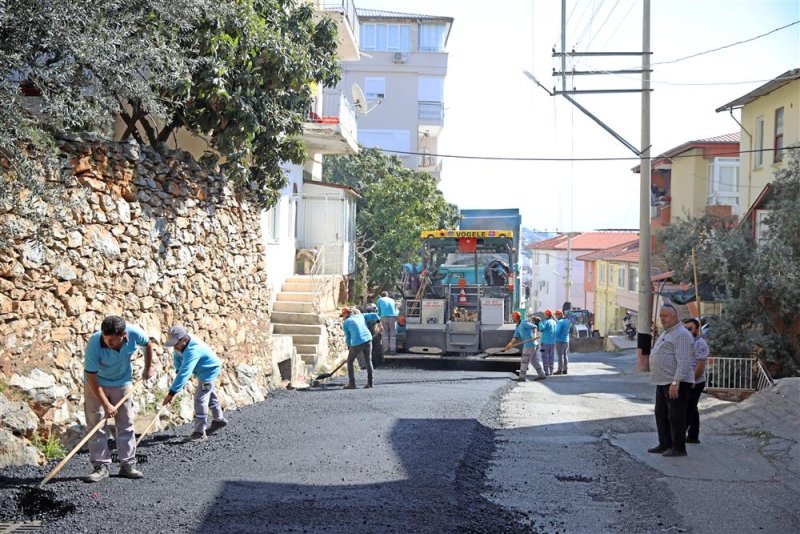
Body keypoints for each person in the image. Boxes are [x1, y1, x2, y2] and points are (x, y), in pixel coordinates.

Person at [83, 315, 152, 483]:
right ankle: (101, 466)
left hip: (122, 382)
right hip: (96, 383)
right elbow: (91, 376)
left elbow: (147, 344)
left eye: (113, 340)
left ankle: (127, 465)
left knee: (126, 423)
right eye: (106, 339)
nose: (108, 343)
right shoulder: (94, 343)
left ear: (124, 335)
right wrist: (106, 405)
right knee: (97, 425)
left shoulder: (135, 333)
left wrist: (148, 368)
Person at [162, 325, 228, 442]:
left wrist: (171, 393)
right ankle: (219, 420)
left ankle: (199, 432)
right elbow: (178, 360)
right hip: (201, 369)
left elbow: (184, 372)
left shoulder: (193, 350)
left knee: (200, 399)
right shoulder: (179, 345)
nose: (175, 347)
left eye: (176, 344)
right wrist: (177, 370)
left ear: (185, 339)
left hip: (209, 370)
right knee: (209, 393)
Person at [647, 303, 695, 457]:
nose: (662, 319)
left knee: (675, 416)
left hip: (675, 383)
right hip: (662, 382)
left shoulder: (681, 334)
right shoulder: (668, 332)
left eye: (665, 316)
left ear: (675, 317)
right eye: (661, 316)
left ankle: (679, 448)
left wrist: (676, 382)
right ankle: (665, 443)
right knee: (661, 413)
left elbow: (684, 362)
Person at [683, 318, 709, 444]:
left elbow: (700, 365)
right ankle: (693, 436)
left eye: (690, 329)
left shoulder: (700, 344)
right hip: (687, 379)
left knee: (687, 408)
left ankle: (678, 435)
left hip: (695, 381)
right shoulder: (687, 342)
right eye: (685, 328)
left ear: (696, 329)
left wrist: (693, 380)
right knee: (692, 408)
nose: (687, 331)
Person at [341, 307, 379, 389]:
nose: (342, 317)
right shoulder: (360, 316)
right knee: (368, 360)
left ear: (346, 314)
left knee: (350, 361)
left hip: (357, 342)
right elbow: (374, 315)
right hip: (368, 339)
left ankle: (352, 383)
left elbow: (348, 338)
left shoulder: (346, 323)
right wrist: (379, 322)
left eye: (342, 315)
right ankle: (370, 383)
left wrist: (349, 347)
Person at [506, 311, 545, 382]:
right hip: (532, 345)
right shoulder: (518, 326)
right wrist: (510, 344)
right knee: (534, 361)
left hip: (530, 344)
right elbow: (516, 336)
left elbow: (534, 327)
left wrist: (534, 335)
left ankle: (522, 377)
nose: (512, 319)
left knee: (524, 360)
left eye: (513, 317)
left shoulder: (524, 323)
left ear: (516, 317)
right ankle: (541, 374)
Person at [539, 310, 557, 375]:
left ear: (547, 315)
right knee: (551, 356)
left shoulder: (546, 322)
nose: (544, 315)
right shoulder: (554, 322)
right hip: (552, 342)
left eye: (545, 314)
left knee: (545, 356)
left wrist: (539, 322)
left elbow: (541, 329)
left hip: (545, 343)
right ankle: (551, 371)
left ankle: (546, 371)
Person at [554, 310, 571, 375]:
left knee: (560, 356)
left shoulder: (560, 322)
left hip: (559, 341)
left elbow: (557, 332)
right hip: (566, 340)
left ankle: (559, 370)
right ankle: (565, 369)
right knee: (565, 355)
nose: (556, 316)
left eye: (556, 315)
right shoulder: (568, 321)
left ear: (560, 315)